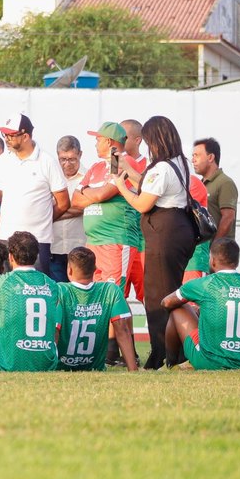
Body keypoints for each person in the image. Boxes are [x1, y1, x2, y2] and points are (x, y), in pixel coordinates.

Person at [112, 115, 198, 370]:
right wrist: (128, 170)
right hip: (178, 230)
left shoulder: (161, 168)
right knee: (171, 293)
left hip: (165, 234)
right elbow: (150, 186)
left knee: (157, 298)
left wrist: (121, 186)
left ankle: (164, 355)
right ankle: (176, 352)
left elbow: (142, 203)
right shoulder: (178, 163)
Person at [0, 231, 61, 372]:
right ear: (36, 256)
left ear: (10, 257)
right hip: (46, 363)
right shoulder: (51, 284)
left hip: (9, 363)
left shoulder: (2, 282)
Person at [71, 122, 143, 301]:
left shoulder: (120, 161)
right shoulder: (96, 167)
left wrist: (86, 190)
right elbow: (75, 200)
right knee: (96, 299)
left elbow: (103, 194)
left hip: (115, 240)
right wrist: (93, 194)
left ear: (109, 142)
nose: (95, 144)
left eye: (98, 140)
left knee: (112, 299)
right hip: (94, 242)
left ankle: (120, 331)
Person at [163, 238, 240, 370]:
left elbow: (166, 302)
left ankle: (170, 364)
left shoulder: (206, 284)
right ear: (237, 262)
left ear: (212, 261)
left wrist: (195, 309)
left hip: (212, 362)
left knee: (179, 307)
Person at [0, 113, 69, 273]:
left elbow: (63, 203)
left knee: (36, 287)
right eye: (4, 135)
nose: (6, 139)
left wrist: (43, 220)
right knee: (7, 289)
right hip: (6, 237)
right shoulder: (4, 160)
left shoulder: (47, 161)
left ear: (25, 136)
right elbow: (1, 196)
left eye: (11, 135)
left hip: (37, 240)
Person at [57, 247, 138, 372]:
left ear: (70, 269)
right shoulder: (110, 290)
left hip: (61, 366)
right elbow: (122, 330)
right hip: (94, 366)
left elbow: (53, 332)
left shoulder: (59, 290)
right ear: (95, 269)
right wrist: (133, 370)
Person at [51, 135, 87, 282]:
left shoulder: (88, 177)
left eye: (72, 159)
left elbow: (83, 207)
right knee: (58, 294)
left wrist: (53, 213)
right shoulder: (51, 177)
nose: (67, 164)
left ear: (80, 154)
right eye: (63, 159)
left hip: (79, 246)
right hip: (54, 247)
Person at [193, 138, 238, 241]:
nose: (193, 160)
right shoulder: (199, 185)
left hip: (220, 253)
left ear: (210, 157)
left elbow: (228, 217)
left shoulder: (225, 182)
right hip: (202, 252)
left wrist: (214, 248)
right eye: (193, 156)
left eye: (197, 155)